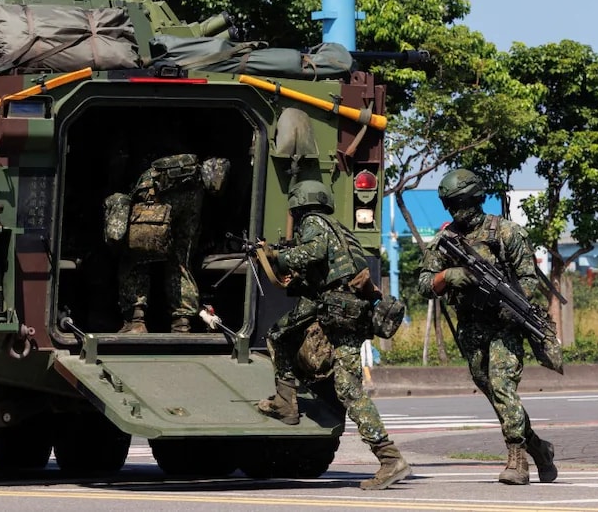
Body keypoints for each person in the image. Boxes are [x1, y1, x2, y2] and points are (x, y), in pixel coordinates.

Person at [256, 179, 411, 491]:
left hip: (336, 308)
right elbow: (325, 271)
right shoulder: (338, 228)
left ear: (299, 205)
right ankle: (387, 457)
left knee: (283, 339)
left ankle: (389, 458)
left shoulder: (313, 223)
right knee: (337, 378)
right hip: (348, 309)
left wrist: (277, 257)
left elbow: (312, 254)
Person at [416, 168, 558, 485]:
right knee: (496, 395)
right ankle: (540, 449)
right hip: (472, 330)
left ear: (476, 199)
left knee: (504, 387)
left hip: (505, 327)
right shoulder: (444, 241)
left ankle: (517, 462)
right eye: (450, 205)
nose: (455, 211)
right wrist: (447, 277)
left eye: (460, 203)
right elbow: (424, 285)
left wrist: (511, 307)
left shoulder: (507, 233)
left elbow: (528, 280)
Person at [108, 153, 229, 333]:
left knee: (138, 254)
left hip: (157, 191)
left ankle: (136, 321)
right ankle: (182, 323)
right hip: (192, 191)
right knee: (181, 261)